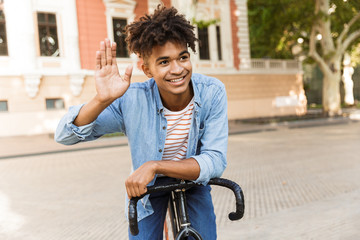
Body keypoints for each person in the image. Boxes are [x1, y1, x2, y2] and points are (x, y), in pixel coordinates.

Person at [55, 5, 228, 239]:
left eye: (183, 57)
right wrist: (102, 99)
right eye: (164, 62)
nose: (177, 69)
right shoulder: (132, 99)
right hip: (147, 187)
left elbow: (215, 160)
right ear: (147, 69)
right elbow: (65, 135)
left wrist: (154, 165)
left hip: (192, 178)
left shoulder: (212, 92)